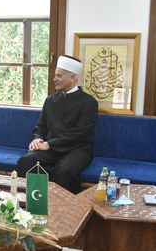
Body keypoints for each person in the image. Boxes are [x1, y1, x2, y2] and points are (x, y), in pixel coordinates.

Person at [17, 55, 98, 194]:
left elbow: (80, 134)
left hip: (77, 149)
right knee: (26, 161)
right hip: (50, 148)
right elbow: (40, 127)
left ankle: (63, 206)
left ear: (73, 78)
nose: (54, 79)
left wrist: (50, 144)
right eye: (55, 75)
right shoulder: (50, 100)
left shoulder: (89, 102)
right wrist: (37, 138)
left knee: (64, 170)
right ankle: (32, 201)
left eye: (59, 76)